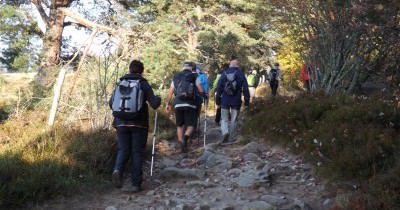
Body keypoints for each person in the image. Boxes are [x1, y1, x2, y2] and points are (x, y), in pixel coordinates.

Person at [109, 59, 161, 193]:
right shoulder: (142, 84)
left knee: (123, 150)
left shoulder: (121, 83)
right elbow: (154, 103)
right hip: (139, 124)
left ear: (130, 69)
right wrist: (158, 99)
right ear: (141, 71)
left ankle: (117, 170)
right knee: (137, 153)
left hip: (120, 123)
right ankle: (135, 184)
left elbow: (111, 103)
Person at [165, 62, 206, 153]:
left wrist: (167, 103)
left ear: (182, 68)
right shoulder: (194, 76)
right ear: (191, 68)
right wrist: (204, 95)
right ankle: (185, 138)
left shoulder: (176, 77)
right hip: (190, 104)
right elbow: (200, 89)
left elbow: (170, 93)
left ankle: (181, 144)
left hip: (178, 103)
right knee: (191, 125)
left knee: (180, 125)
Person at [216, 56, 250, 143]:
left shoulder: (224, 74)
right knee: (234, 120)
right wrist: (247, 101)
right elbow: (246, 88)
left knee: (224, 119)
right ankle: (231, 138)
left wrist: (217, 100)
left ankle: (225, 132)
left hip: (225, 100)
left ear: (230, 64)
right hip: (236, 100)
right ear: (237, 65)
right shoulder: (241, 74)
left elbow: (219, 88)